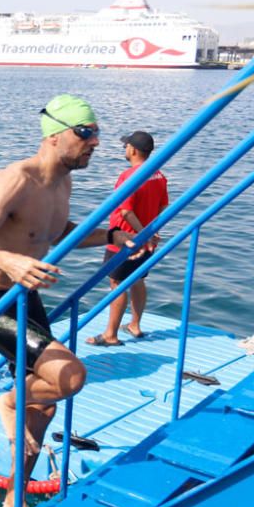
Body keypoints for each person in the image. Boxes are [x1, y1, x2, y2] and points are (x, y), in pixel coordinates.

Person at [0, 94, 137, 507]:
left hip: (25, 297)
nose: (95, 142)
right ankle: (8, 403)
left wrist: (111, 236)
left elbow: (53, 230)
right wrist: (6, 260)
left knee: (46, 405)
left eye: (96, 134)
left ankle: (15, 500)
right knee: (69, 376)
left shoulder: (61, 183)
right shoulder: (13, 181)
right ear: (54, 136)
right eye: (85, 133)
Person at [86, 131, 168, 347]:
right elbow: (163, 205)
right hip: (146, 240)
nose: (124, 150)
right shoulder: (158, 175)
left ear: (133, 150)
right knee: (138, 279)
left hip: (126, 240)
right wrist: (152, 229)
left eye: (126, 146)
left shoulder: (129, 176)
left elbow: (125, 212)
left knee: (117, 283)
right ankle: (135, 325)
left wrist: (142, 235)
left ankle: (110, 335)